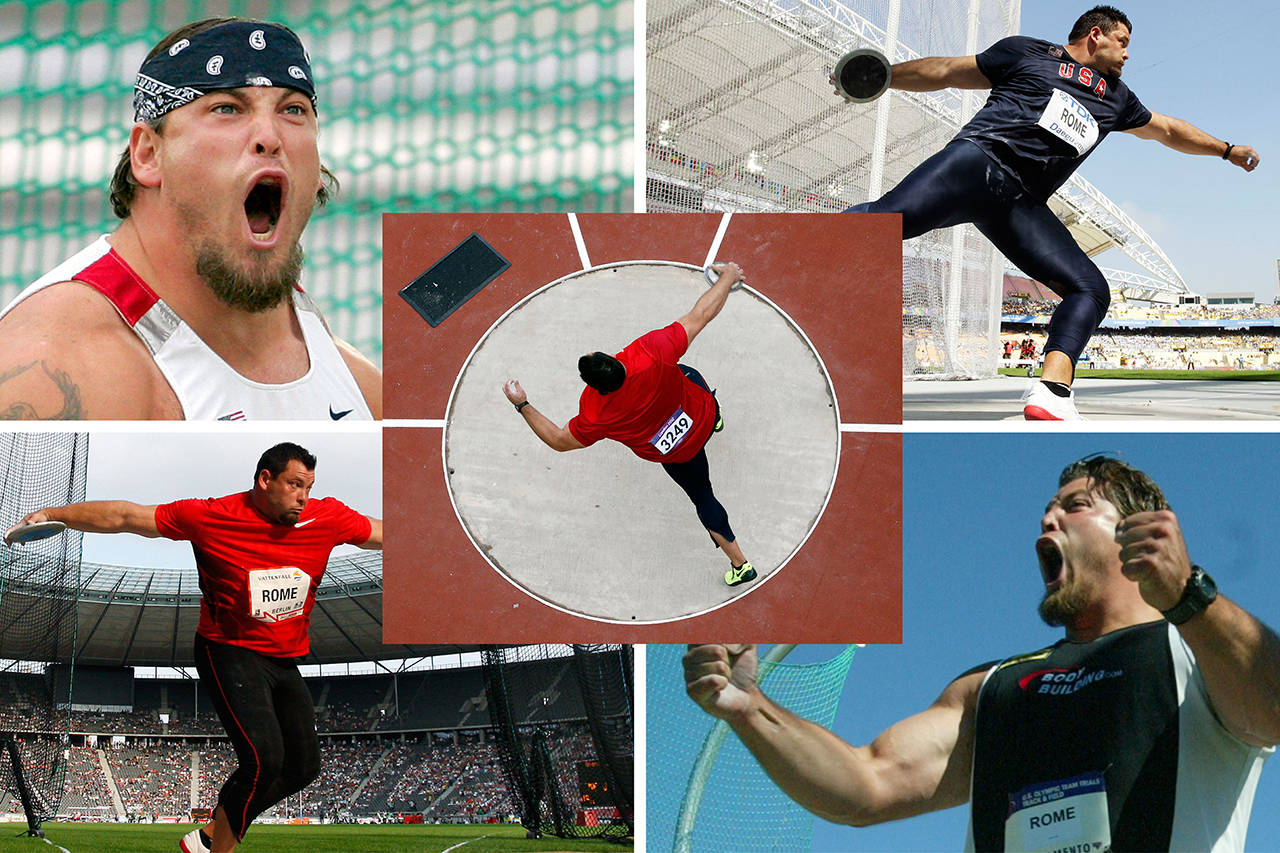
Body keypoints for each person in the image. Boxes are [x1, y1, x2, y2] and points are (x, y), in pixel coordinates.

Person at [686, 456, 1280, 850]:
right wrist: (748, 706)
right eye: (1047, 510)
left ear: (1141, 527)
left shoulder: (1199, 647)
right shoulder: (990, 686)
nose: (1048, 517)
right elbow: (865, 785)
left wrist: (1191, 596)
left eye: (1074, 506)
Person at [836, 6, 1259, 420]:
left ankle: (1052, 392)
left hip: (1020, 204)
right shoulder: (1025, 52)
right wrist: (886, 75)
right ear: (1096, 35)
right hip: (976, 163)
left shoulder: (1117, 99)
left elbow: (1167, 129)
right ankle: (784, 255)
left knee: (1091, 289)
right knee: (878, 224)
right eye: (1123, 42)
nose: (1128, 53)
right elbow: (948, 70)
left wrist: (1225, 150)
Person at [4, 442, 382, 853]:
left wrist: (444, 526)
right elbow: (127, 516)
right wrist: (52, 514)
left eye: (308, 486)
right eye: (294, 484)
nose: (302, 496)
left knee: (304, 767)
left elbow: (381, 533)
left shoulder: (327, 518)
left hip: (283, 657)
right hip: (228, 650)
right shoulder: (211, 516)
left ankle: (206, 836)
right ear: (265, 480)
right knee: (264, 761)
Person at [0, 17, 381, 420]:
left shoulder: (361, 389)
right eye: (227, 108)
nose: (270, 136)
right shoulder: (55, 367)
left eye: (293, 109)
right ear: (148, 154)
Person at [502, 262, 755, 587]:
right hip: (702, 416)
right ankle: (716, 417)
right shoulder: (650, 353)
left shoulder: (595, 413)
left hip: (678, 452)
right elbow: (701, 314)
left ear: (593, 386)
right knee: (688, 374)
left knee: (703, 498)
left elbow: (558, 440)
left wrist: (521, 403)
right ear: (614, 358)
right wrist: (730, 277)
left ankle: (741, 564)